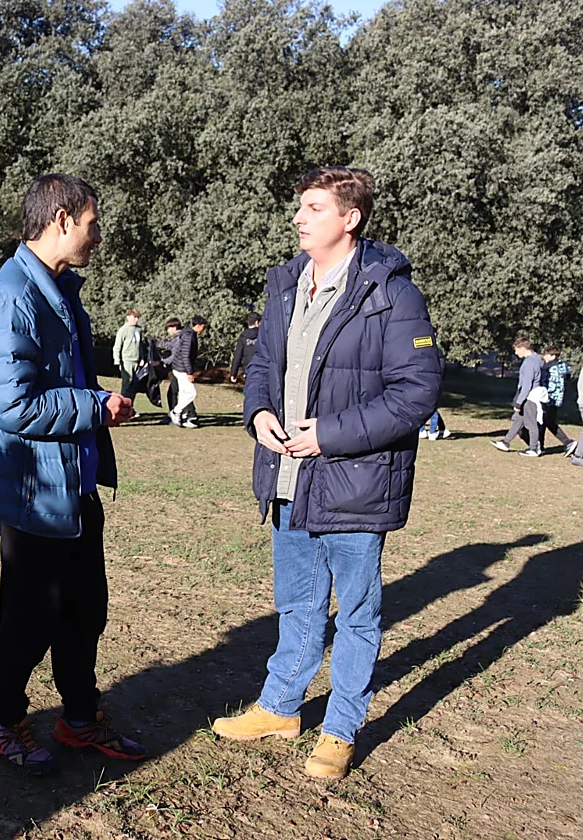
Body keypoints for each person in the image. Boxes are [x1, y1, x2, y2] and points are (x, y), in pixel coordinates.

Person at [212, 166, 441, 780]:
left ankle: (340, 729)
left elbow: (416, 392)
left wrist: (327, 435)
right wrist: (258, 412)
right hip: (287, 477)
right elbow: (264, 364)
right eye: (301, 208)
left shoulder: (391, 292)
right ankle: (280, 707)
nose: (299, 218)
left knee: (357, 614)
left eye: (314, 208)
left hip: (355, 483)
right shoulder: (287, 283)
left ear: (350, 218)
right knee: (297, 604)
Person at [0, 174, 144, 775]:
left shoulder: (59, 290)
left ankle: (80, 720)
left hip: (73, 486)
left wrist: (94, 404)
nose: (98, 235)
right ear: (62, 219)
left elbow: (55, 381)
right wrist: (95, 405)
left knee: (85, 613)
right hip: (31, 492)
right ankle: (8, 724)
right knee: (29, 619)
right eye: (93, 222)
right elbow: (10, 403)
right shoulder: (13, 296)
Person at [491, 338, 545, 457]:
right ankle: (505, 442)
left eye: (516, 350)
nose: (516, 353)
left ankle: (534, 448)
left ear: (523, 348)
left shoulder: (529, 362)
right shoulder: (537, 359)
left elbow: (526, 385)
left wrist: (519, 402)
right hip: (532, 395)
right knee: (519, 420)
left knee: (531, 423)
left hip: (530, 397)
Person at [158, 315, 206, 428]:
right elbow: (185, 355)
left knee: (183, 392)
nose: (203, 330)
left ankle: (185, 417)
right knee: (191, 393)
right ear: (199, 326)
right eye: (203, 327)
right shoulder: (189, 336)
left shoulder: (186, 333)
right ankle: (177, 412)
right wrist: (190, 372)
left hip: (178, 367)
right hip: (182, 369)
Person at [539, 346, 575, 456]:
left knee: (544, 421)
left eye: (547, 355)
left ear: (553, 356)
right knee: (548, 421)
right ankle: (541, 445)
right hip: (557, 399)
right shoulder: (563, 366)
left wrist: (542, 393)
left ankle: (567, 442)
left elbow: (551, 384)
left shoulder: (552, 368)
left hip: (549, 399)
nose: (544, 357)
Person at [112, 308, 144, 412]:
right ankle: (123, 409)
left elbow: (140, 345)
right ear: (128, 317)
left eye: (137, 318)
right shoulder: (123, 330)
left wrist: (141, 358)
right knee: (127, 385)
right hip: (127, 361)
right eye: (134, 317)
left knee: (134, 386)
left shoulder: (138, 330)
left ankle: (130, 408)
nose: (136, 320)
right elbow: (117, 346)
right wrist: (117, 361)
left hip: (137, 361)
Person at [229, 312, 261, 383]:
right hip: (261, 368)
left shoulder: (243, 336)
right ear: (257, 322)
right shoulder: (262, 335)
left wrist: (233, 373)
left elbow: (238, 355)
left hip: (248, 369)